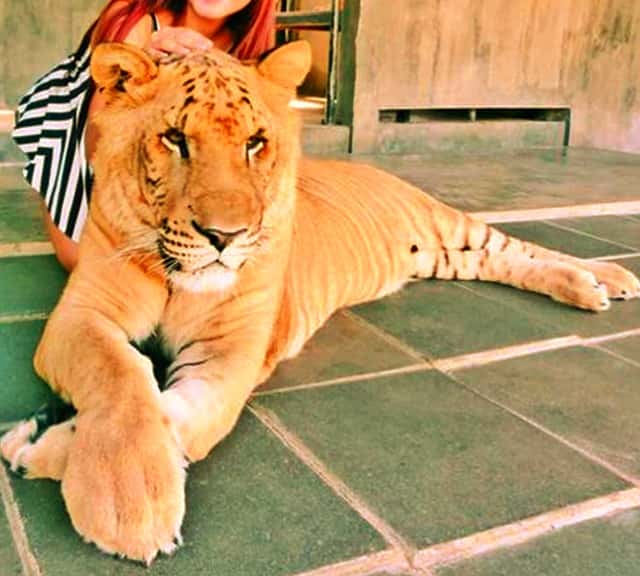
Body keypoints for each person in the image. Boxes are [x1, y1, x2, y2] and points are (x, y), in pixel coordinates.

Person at [12, 0, 276, 271]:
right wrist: (144, 72)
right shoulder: (134, 20)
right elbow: (96, 149)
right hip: (82, 127)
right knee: (81, 258)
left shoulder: (252, 45)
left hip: (168, 162)